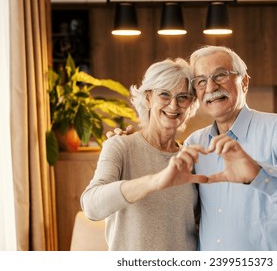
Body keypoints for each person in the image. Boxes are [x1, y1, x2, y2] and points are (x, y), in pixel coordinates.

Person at [109, 45, 277, 251]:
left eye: (220, 75)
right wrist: (131, 143)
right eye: (200, 81)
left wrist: (260, 175)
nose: (211, 86)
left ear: (244, 81)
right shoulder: (194, 145)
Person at [80, 58, 205, 251]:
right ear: (148, 98)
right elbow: (91, 206)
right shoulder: (121, 146)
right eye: (164, 95)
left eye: (183, 97)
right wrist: (155, 181)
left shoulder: (191, 158)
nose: (173, 105)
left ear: (191, 104)